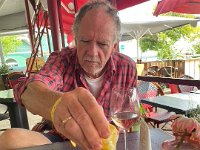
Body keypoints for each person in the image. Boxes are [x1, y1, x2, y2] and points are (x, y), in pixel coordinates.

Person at [0, 0, 137, 149]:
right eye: (84, 41)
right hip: (63, 139)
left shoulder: (127, 67)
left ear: (113, 47)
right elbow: (26, 91)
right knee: (10, 139)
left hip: (109, 142)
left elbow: (131, 117)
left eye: (102, 44)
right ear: (76, 39)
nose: (92, 52)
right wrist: (57, 104)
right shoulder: (62, 60)